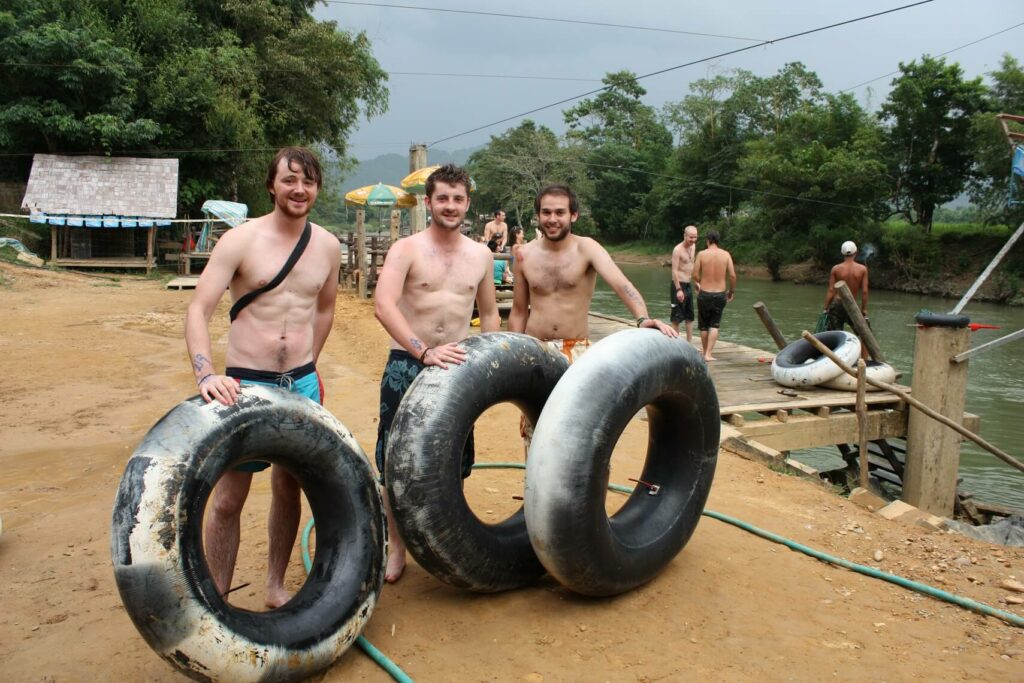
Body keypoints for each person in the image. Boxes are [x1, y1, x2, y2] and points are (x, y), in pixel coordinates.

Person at [184, 146, 341, 608]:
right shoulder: (241, 240)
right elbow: (199, 308)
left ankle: (274, 586)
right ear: (271, 185)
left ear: (316, 188)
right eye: (289, 180)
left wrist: (308, 360)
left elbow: (326, 307)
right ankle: (218, 595)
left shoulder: (328, 246)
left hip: (302, 383)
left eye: (308, 181)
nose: (299, 189)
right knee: (230, 497)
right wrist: (206, 374)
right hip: (244, 384)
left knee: (289, 488)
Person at [373, 164, 500, 583]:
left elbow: (490, 312)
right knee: (394, 459)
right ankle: (396, 549)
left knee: (452, 459)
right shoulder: (406, 249)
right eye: (442, 198)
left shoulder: (481, 254)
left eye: (458, 198)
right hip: (408, 361)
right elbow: (384, 305)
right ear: (428, 202)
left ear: (468, 204)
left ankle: (447, 541)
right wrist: (422, 350)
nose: (450, 205)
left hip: (459, 367)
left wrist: (490, 363)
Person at [509, 184, 677, 360]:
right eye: (546, 212)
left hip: (575, 348)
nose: (552, 219)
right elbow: (519, 311)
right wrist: (513, 351)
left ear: (573, 216)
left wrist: (642, 319)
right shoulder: (524, 255)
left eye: (560, 212)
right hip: (533, 346)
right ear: (538, 216)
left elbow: (622, 285)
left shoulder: (587, 248)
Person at [691, 230, 736, 362]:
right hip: (720, 293)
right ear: (718, 241)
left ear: (708, 241)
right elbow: (733, 276)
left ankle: (705, 352)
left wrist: (698, 283)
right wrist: (731, 291)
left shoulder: (702, 254)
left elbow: (694, 274)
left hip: (704, 293)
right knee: (714, 324)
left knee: (704, 325)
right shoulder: (726, 255)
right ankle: (708, 354)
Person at [823, 240, 869, 331]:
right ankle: (865, 345)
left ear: (842, 253)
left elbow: (831, 290)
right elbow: (864, 292)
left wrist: (825, 308)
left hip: (837, 304)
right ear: (855, 252)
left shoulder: (836, 269)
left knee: (835, 334)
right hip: (852, 304)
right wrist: (864, 309)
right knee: (864, 333)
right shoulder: (862, 269)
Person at [670, 225, 699, 342]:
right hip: (678, 285)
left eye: (695, 237)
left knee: (690, 316)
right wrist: (678, 289)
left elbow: (692, 265)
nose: (693, 240)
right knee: (676, 317)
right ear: (685, 236)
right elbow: (674, 270)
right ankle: (675, 344)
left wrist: (696, 281)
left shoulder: (694, 246)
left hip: (688, 284)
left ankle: (689, 344)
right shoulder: (677, 250)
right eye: (690, 237)